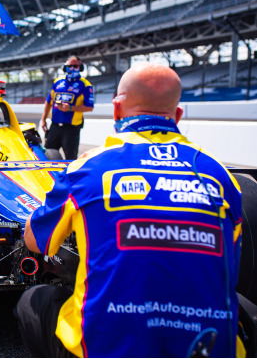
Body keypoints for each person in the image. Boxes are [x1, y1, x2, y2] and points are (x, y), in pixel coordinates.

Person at [16, 63, 244, 357]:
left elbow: (34, 241)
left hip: (107, 347)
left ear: (116, 110)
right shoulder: (221, 176)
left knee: (32, 301)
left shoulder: (87, 167)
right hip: (206, 346)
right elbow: (229, 265)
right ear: (177, 116)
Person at [40, 56, 94, 160]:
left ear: (80, 67)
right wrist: (43, 120)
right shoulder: (57, 82)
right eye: (70, 66)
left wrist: (70, 108)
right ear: (65, 67)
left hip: (71, 129)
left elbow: (89, 107)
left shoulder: (85, 85)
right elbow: (48, 102)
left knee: (70, 159)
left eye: (75, 66)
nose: (72, 68)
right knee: (47, 156)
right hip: (54, 126)